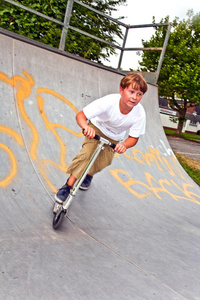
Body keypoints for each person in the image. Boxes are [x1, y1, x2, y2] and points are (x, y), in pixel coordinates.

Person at [55, 72, 148, 204]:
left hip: (115, 137)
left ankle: (88, 174)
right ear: (121, 90)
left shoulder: (139, 113)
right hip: (97, 128)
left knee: (104, 161)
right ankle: (67, 186)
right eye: (131, 92)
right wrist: (86, 127)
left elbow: (134, 137)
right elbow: (81, 115)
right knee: (86, 155)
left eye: (139, 94)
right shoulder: (109, 102)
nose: (134, 97)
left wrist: (124, 145)